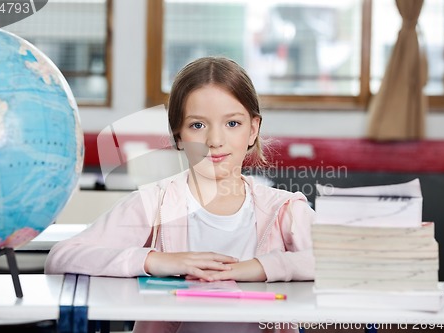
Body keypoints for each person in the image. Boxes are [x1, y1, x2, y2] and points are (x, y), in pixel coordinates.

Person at [45, 56, 315, 333]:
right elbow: (62, 257)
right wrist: (157, 261)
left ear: (253, 129)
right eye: (198, 125)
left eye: (232, 123)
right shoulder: (155, 202)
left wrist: (258, 268)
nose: (215, 140)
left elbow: (347, 264)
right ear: (178, 136)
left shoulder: (282, 208)